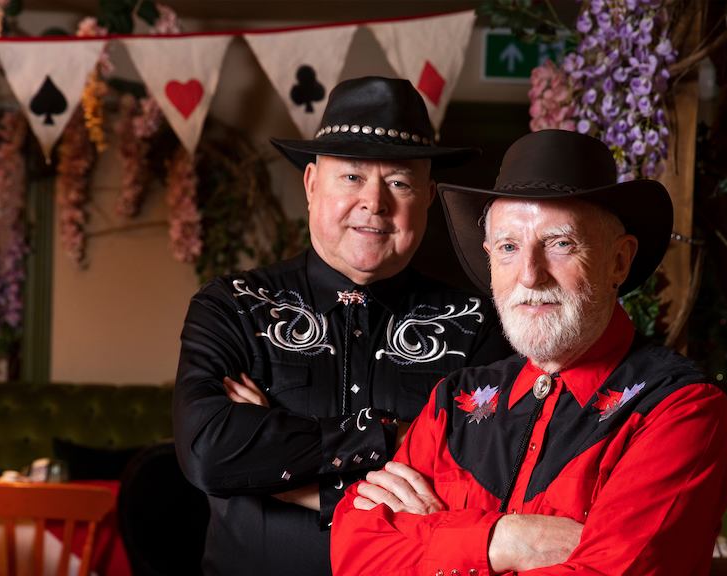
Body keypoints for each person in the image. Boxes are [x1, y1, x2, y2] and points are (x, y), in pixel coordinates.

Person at [331, 129, 727, 575]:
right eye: (508, 247)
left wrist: (439, 535)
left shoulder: (677, 410)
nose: (529, 275)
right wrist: (504, 540)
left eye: (560, 244)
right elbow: (355, 554)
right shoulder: (454, 403)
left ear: (619, 260)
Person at [173, 76, 512, 576]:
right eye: (352, 177)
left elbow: (485, 482)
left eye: (399, 182)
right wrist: (392, 438)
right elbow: (209, 454)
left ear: (428, 197)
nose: (375, 202)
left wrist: (280, 477)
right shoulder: (233, 307)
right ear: (312, 185)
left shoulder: (478, 325)